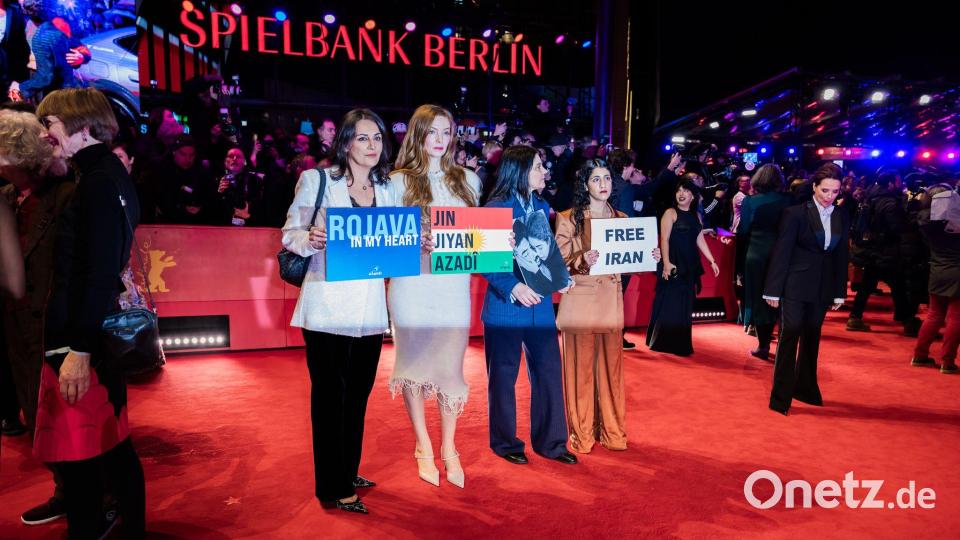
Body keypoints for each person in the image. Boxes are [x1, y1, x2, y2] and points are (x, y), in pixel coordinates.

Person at [34, 88, 145, 537]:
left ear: (80, 125)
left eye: (51, 124)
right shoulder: (110, 173)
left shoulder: (97, 180)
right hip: (92, 334)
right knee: (113, 446)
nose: (46, 135)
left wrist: (77, 349)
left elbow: (98, 272)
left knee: (81, 455)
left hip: (82, 339)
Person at [281, 108, 396, 515]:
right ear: (346, 142)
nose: (371, 146)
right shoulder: (316, 181)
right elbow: (289, 234)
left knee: (359, 397)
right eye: (363, 138)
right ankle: (332, 484)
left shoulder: (389, 189)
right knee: (330, 398)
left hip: (368, 310)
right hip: (327, 307)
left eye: (377, 138)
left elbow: (397, 241)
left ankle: (347, 468)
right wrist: (309, 238)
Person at [387, 104, 480, 489]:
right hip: (411, 286)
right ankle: (423, 444)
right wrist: (413, 242)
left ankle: (449, 446)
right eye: (432, 132)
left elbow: (476, 236)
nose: (440, 141)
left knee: (448, 368)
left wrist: (496, 242)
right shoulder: (396, 182)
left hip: (453, 286)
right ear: (418, 134)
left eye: (446, 133)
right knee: (412, 366)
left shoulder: (469, 180)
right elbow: (385, 241)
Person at [480, 145, 577, 467]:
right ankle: (506, 442)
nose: (544, 171)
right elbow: (485, 260)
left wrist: (560, 278)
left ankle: (552, 442)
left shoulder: (541, 204)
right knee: (503, 378)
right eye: (538, 166)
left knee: (548, 373)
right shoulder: (495, 207)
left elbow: (545, 252)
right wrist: (513, 287)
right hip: (505, 307)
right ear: (520, 170)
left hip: (541, 308)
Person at [554, 159, 655, 454]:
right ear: (585, 185)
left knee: (611, 375)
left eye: (607, 178)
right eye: (596, 179)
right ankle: (582, 436)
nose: (603, 184)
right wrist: (582, 259)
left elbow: (633, 262)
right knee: (580, 374)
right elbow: (559, 260)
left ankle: (613, 433)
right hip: (582, 303)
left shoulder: (623, 219)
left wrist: (649, 256)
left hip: (611, 304)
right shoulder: (568, 218)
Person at [763, 163, 849, 415]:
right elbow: (782, 252)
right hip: (794, 284)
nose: (829, 196)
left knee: (812, 335)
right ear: (814, 187)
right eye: (825, 190)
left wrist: (839, 290)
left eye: (835, 191)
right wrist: (772, 290)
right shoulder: (795, 214)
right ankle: (780, 398)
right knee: (790, 333)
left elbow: (841, 255)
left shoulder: (841, 215)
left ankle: (806, 389)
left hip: (822, 287)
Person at [646, 180, 720, 356]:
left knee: (685, 304)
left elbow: (699, 238)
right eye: (678, 190)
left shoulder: (696, 216)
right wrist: (666, 263)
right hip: (673, 263)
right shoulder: (670, 213)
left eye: (685, 190)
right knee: (670, 302)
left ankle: (680, 342)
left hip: (690, 265)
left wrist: (712, 260)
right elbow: (664, 239)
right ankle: (662, 342)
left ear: (693, 195)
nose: (681, 193)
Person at [847, 171, 919, 335]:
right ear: (891, 183)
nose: (901, 183)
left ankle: (855, 317)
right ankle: (907, 321)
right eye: (898, 180)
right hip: (886, 251)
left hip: (870, 249)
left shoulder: (870, 198)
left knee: (867, 285)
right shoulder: (889, 203)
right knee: (898, 285)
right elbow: (897, 228)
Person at [738, 165, 793, 359]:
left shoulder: (750, 202)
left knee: (760, 300)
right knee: (785, 299)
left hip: (756, 254)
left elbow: (743, 232)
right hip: (784, 254)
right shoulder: (789, 200)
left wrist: (738, 268)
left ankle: (763, 346)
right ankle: (785, 346)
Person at [911, 184, 960, 374]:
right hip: (957, 271)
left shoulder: (925, 220)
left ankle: (919, 355)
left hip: (937, 270)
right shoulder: (955, 222)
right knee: (955, 318)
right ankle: (947, 361)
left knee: (934, 315)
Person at [211, 147, 264, 226]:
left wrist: (249, 215)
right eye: (231, 156)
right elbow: (212, 211)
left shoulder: (254, 180)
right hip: (224, 228)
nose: (234, 159)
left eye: (238, 156)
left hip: (249, 227)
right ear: (225, 161)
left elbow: (262, 208)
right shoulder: (217, 180)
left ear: (244, 162)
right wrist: (219, 193)